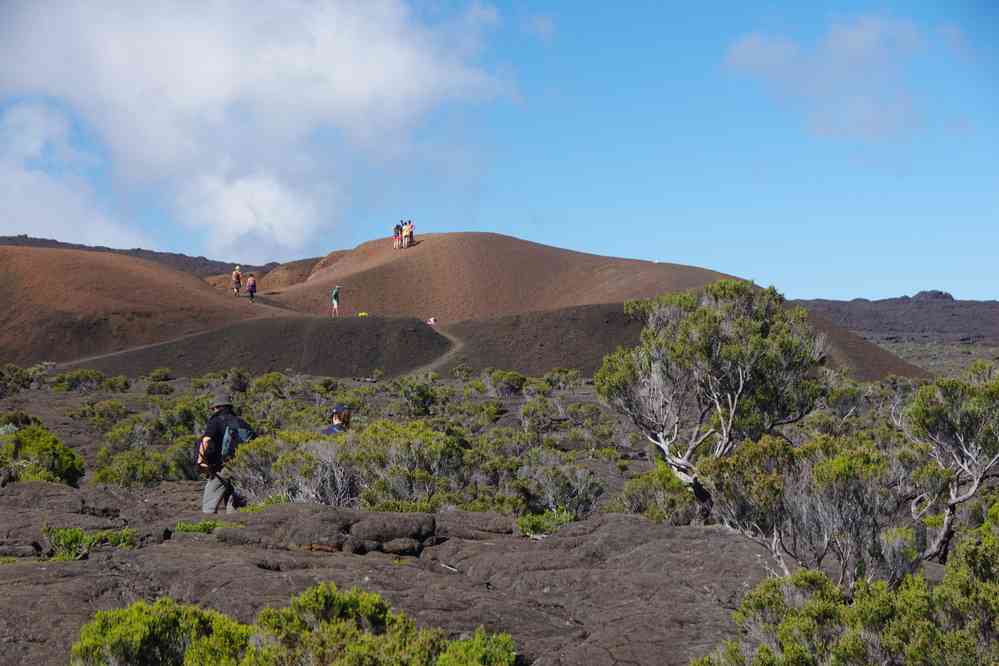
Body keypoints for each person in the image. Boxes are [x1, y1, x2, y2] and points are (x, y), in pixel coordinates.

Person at [197, 390, 249, 514]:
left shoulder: (215, 421)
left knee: (209, 506)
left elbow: (206, 440)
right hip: (242, 468)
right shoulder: (241, 422)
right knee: (234, 503)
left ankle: (207, 528)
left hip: (222, 468)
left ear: (218, 407)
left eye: (214, 408)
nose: (213, 411)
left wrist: (200, 461)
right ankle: (233, 528)